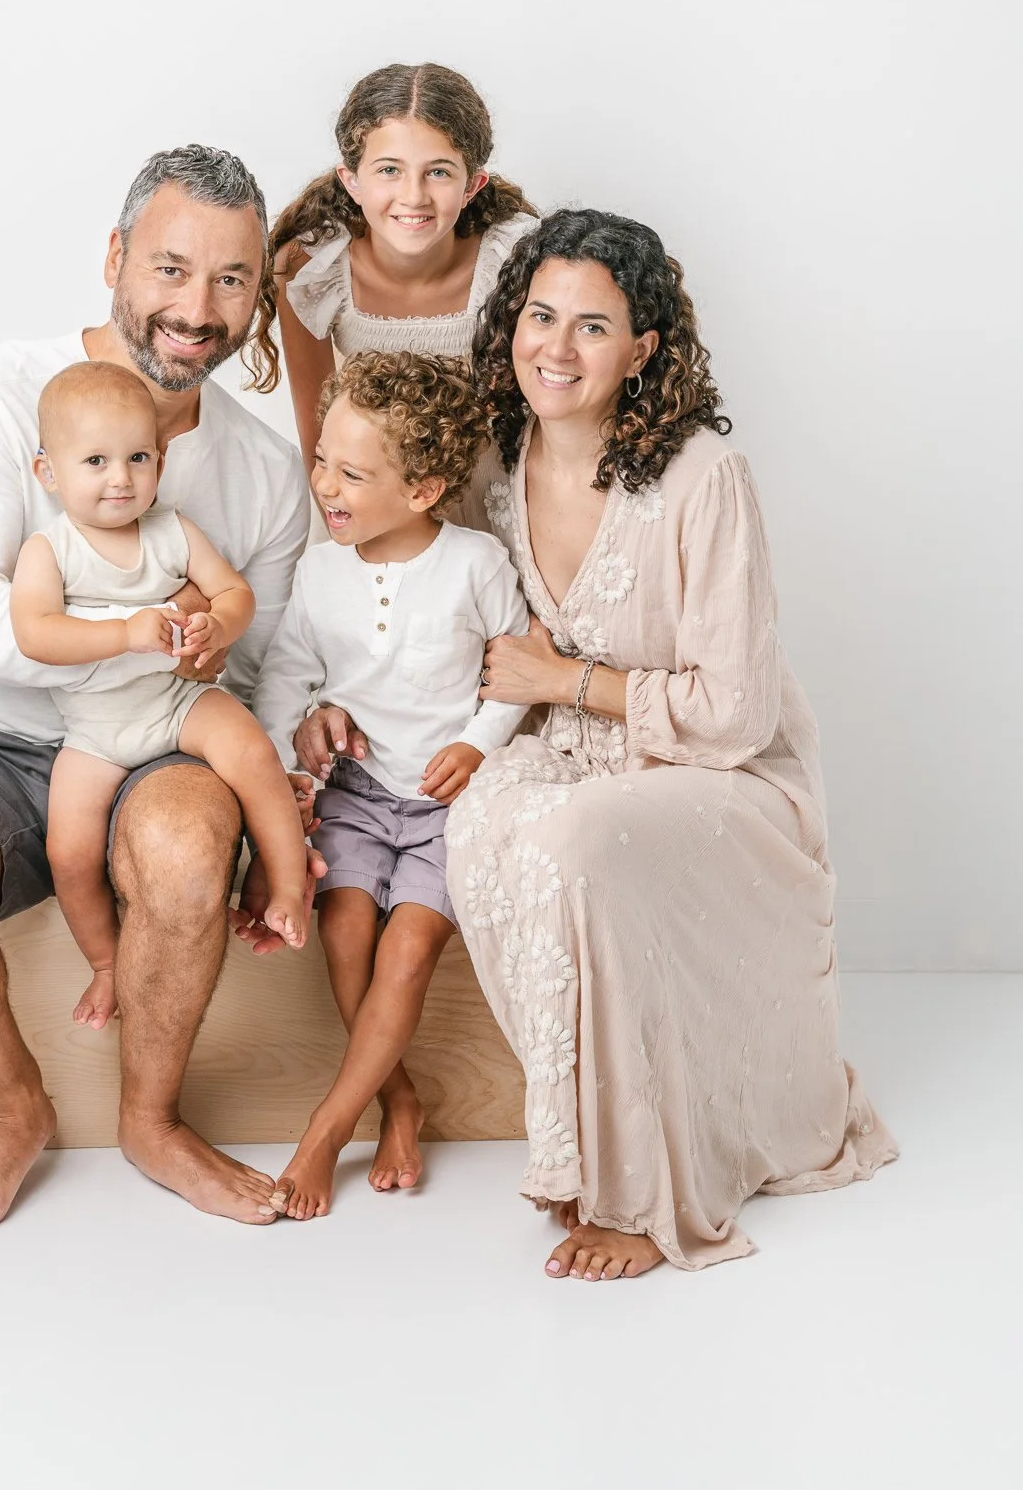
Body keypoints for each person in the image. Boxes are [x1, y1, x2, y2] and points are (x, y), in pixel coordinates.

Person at [0, 145, 320, 1245]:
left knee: (188, 847)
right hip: (0, 735)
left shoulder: (262, 472)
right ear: (114, 257)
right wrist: (138, 637)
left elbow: (275, 657)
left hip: (162, 737)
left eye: (231, 279)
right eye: (168, 267)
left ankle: (152, 1120)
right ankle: (16, 1109)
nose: (195, 309)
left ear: (260, 293)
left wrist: (283, 743)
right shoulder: (4, 393)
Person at [449, 208, 897, 1278]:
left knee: (573, 842)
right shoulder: (492, 462)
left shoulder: (701, 477)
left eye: (592, 326)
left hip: (723, 775)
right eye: (540, 315)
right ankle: (579, 1140)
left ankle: (640, 1194)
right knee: (479, 820)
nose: (556, 347)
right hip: (571, 755)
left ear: (643, 350)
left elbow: (735, 710)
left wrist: (568, 679)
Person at [251, 351, 531, 1217]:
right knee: (344, 940)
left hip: (447, 805)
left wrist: (480, 746)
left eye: (352, 473)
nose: (325, 484)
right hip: (358, 795)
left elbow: (514, 673)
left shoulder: (475, 564)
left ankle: (325, 1133)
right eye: (322, 460)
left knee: (405, 952)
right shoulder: (319, 568)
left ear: (421, 490)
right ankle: (398, 1100)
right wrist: (294, 749)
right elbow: (285, 676)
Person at [11, 359, 309, 1032]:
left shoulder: (172, 531)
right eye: (94, 461)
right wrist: (123, 631)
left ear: (161, 459)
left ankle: (286, 880)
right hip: (95, 729)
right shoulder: (50, 550)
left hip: (178, 703)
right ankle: (106, 962)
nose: (120, 478)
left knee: (253, 753)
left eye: (137, 457)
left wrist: (215, 624)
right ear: (48, 474)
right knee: (69, 851)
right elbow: (35, 633)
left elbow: (236, 594)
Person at [270, 62, 537, 479]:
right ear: (352, 180)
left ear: (472, 186)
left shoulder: (515, 259)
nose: (413, 197)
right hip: (376, 506)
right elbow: (320, 440)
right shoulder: (310, 267)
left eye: (438, 172)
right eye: (389, 170)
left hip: (499, 491)